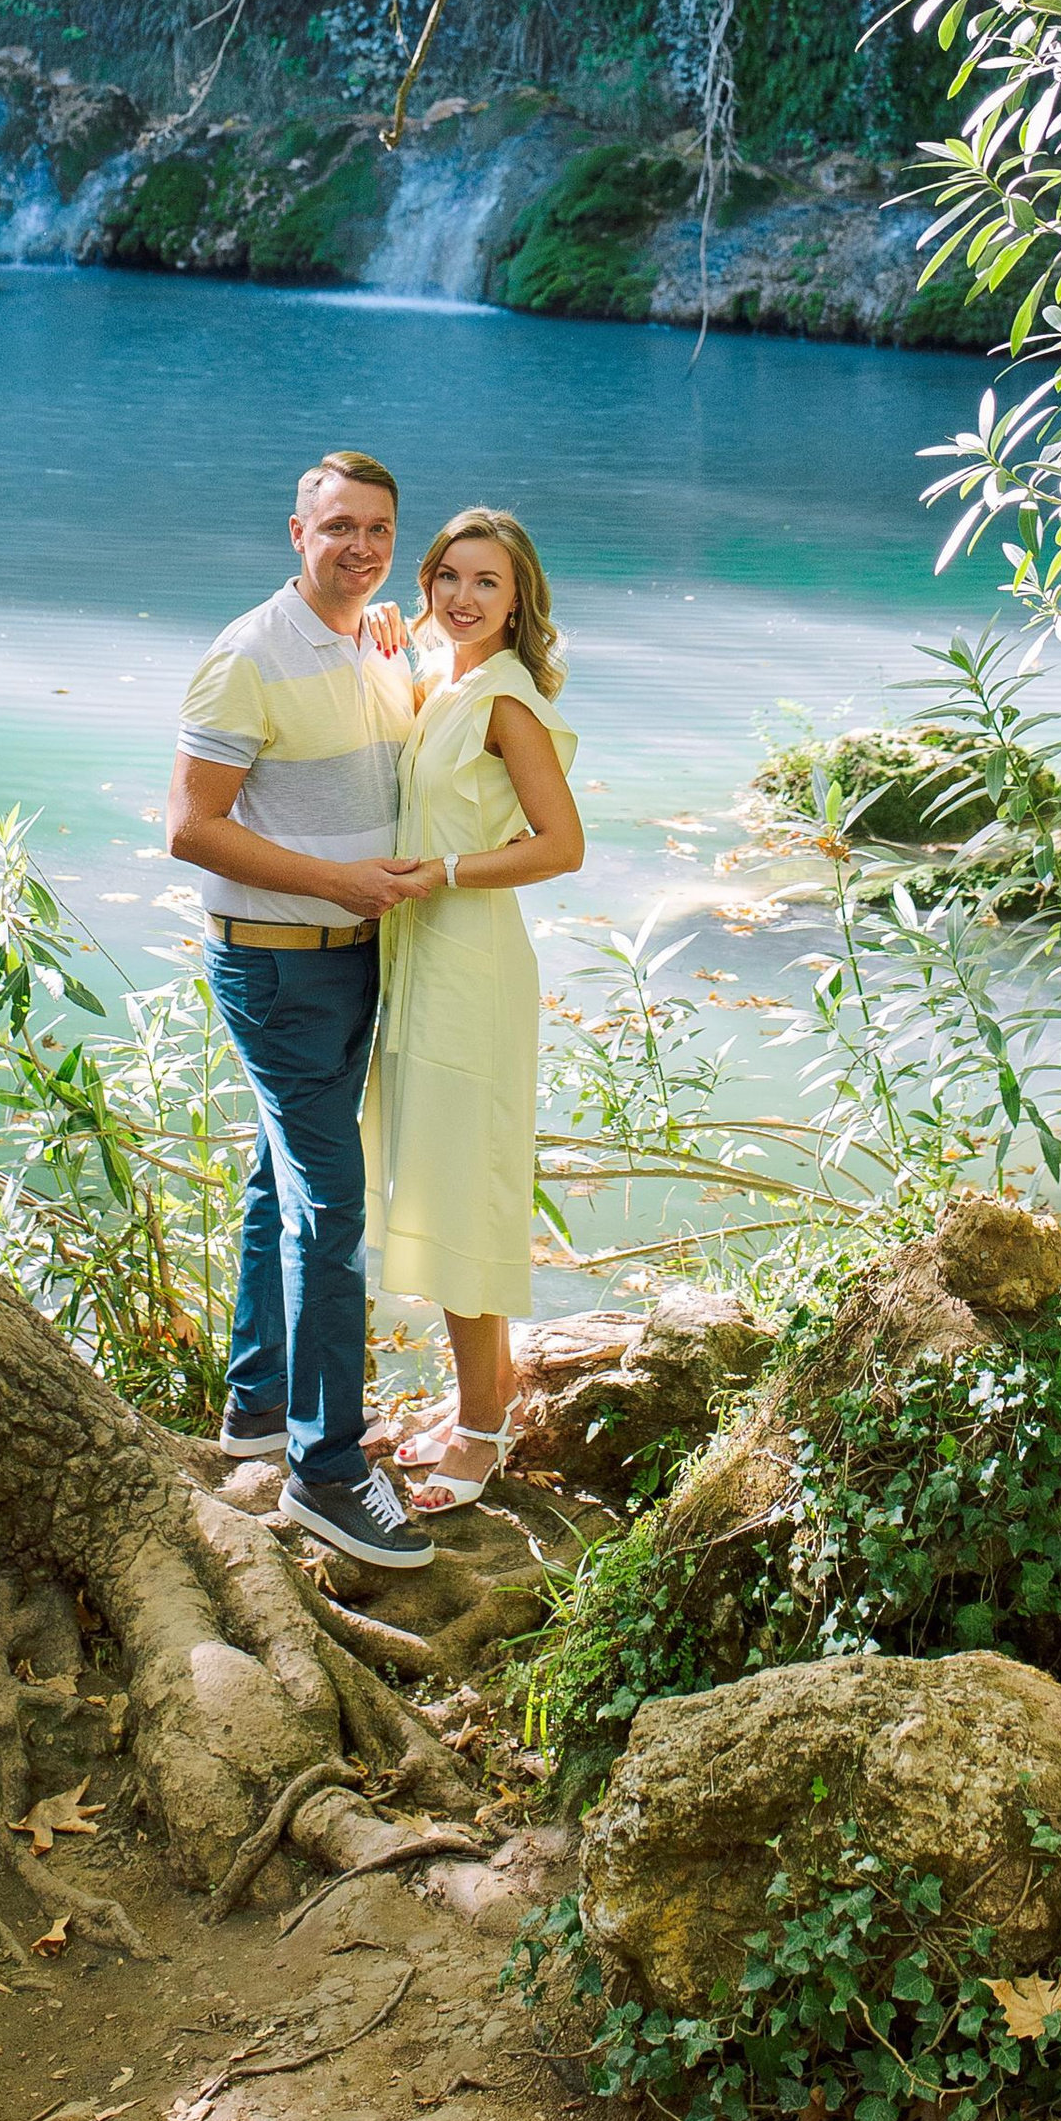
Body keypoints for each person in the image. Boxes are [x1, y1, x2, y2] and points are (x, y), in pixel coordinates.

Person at [166, 450, 439, 1573]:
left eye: (377, 529)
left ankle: (257, 1411)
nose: (359, 548)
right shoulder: (245, 657)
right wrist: (340, 885)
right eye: (338, 528)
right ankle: (326, 1473)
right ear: (296, 533)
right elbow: (188, 829)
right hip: (279, 966)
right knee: (330, 1204)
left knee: (283, 1180)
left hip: (355, 958)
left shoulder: (374, 642)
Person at [364, 507, 584, 1515]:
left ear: (517, 599)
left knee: (465, 1193)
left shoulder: (503, 700)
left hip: (472, 965)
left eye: (485, 583)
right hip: (415, 961)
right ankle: (474, 1396)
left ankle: (483, 1426)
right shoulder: (436, 675)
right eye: (448, 577)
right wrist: (376, 644)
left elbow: (560, 845)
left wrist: (443, 870)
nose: (461, 598)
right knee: (434, 1186)